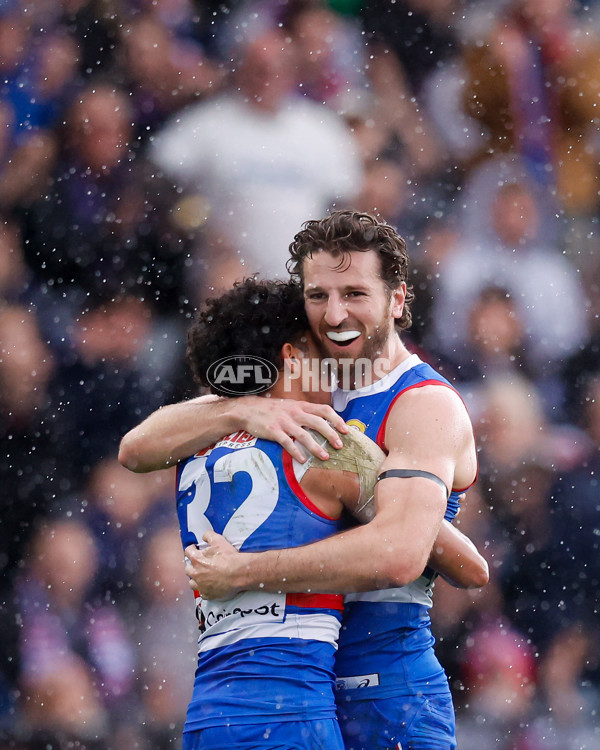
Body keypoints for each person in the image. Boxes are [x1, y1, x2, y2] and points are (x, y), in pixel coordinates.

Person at [119, 210, 482, 749]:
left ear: (397, 300)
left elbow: (401, 555)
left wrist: (246, 571)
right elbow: (136, 448)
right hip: (303, 691)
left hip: (387, 694)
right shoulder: (304, 381)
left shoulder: (424, 406)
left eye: (355, 293)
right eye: (318, 295)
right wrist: (240, 412)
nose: (334, 314)